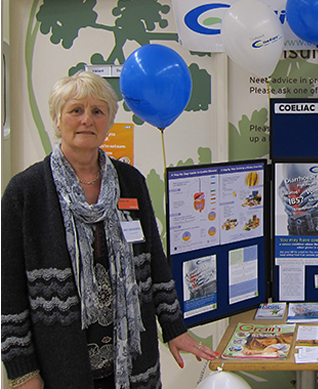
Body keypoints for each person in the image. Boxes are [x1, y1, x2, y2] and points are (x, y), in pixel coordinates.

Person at [1, 72, 219, 389]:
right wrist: (23, 371)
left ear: (109, 121)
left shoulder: (130, 182)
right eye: (76, 110)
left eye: (98, 111)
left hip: (132, 364)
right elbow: (8, 290)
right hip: (59, 366)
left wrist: (174, 328)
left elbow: (153, 261)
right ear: (57, 118)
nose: (87, 120)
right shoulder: (26, 192)